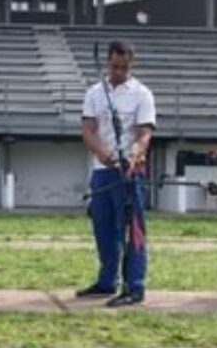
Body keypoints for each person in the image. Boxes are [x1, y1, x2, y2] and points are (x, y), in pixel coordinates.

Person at [78, 41, 156, 307]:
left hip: (129, 172)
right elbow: (88, 129)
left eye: (124, 67)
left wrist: (134, 154)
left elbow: (145, 132)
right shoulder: (94, 93)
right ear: (107, 63)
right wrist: (101, 152)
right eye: (114, 66)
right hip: (102, 171)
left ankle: (134, 286)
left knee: (131, 230)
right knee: (103, 228)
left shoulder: (142, 94)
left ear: (131, 64)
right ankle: (107, 280)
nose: (119, 71)